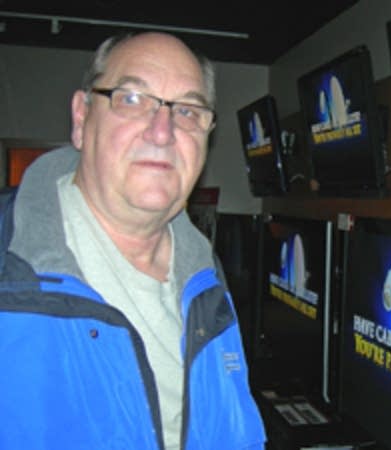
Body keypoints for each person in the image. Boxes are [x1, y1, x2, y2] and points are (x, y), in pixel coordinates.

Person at [0, 32, 266, 449]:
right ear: (81, 118)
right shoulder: (9, 267)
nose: (162, 131)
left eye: (188, 111)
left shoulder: (206, 280)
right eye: (131, 99)